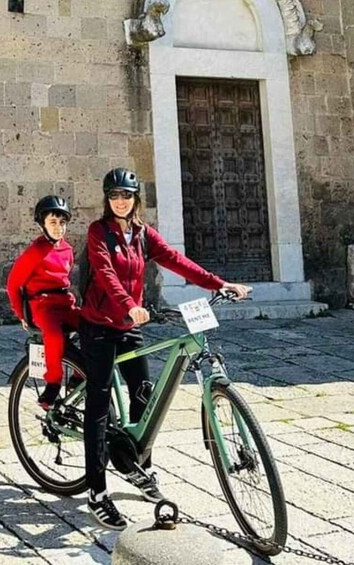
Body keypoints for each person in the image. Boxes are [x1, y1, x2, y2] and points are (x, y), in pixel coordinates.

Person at [79, 167, 251, 530]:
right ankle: (96, 492)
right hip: (99, 324)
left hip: (129, 324)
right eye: (114, 196)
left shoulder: (142, 234)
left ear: (136, 198)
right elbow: (105, 273)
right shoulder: (99, 232)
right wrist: (128, 303)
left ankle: (142, 469)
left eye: (126, 195)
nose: (121, 201)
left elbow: (177, 260)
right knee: (98, 403)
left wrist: (220, 283)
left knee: (144, 396)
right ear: (107, 200)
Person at [6, 195, 82, 410]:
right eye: (53, 223)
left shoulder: (67, 249)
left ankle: (79, 374)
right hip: (42, 304)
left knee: (93, 324)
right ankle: (53, 382)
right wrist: (21, 315)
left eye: (62, 223)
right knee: (54, 334)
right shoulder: (35, 252)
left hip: (64, 301)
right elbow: (13, 284)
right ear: (43, 225)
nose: (58, 228)